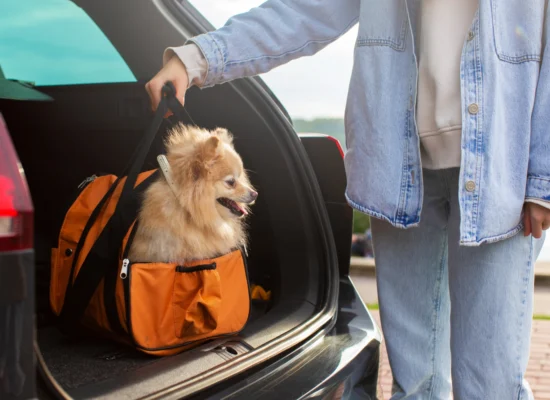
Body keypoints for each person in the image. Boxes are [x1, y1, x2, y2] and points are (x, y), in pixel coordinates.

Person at [146, 1, 550, 398]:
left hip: (502, 176)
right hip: (400, 172)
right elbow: (303, 11)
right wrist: (196, 58)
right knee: (415, 388)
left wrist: (543, 180)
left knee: (491, 388)